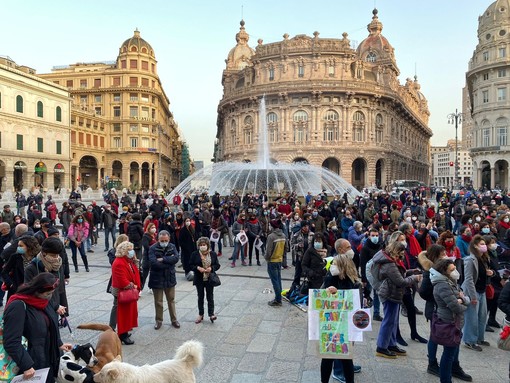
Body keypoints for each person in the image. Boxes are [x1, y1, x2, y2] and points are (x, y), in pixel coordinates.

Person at [3, 272, 73, 382]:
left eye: (52, 293)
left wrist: (58, 344)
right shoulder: (18, 306)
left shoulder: (43, 301)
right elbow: (11, 341)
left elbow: (48, 327)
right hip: (30, 364)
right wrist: (26, 365)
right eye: (47, 293)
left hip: (46, 360)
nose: (50, 296)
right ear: (37, 290)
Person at [373, 240, 421, 358]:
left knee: (393, 321)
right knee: (388, 321)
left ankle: (391, 344)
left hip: (393, 292)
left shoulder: (391, 260)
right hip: (390, 293)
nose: (403, 254)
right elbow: (400, 281)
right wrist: (414, 278)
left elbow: (399, 274)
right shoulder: (389, 263)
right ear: (396, 251)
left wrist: (410, 272)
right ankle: (382, 347)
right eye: (401, 252)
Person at [321, 255, 360, 383]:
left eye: (335, 264)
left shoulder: (352, 281)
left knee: (346, 357)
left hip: (345, 325)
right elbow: (321, 297)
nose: (332, 266)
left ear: (342, 266)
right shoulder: (330, 278)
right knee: (327, 357)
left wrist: (338, 291)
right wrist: (328, 291)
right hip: (331, 324)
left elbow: (353, 299)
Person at [431, 258, 470, 383]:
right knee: (448, 355)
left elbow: (462, 298)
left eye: (455, 268)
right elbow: (456, 306)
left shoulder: (450, 282)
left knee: (450, 353)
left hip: (455, 321)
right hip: (449, 322)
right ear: (445, 272)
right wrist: (463, 302)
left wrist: (462, 299)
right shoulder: (443, 285)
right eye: (452, 270)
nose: (455, 271)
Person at [461, 234, 494, 351]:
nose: (484, 246)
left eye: (484, 244)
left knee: (482, 316)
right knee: (472, 317)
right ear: (475, 246)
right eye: (481, 244)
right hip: (472, 291)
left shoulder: (484, 258)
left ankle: (479, 338)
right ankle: (470, 340)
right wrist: (473, 296)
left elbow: (484, 273)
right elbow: (469, 279)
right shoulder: (470, 259)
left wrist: (490, 273)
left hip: (482, 290)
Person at [24, 237, 68, 318]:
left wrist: (64, 314)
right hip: (38, 310)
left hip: (55, 308)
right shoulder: (31, 268)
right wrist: (55, 306)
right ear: (44, 252)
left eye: (57, 255)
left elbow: (61, 289)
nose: (55, 258)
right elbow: (30, 292)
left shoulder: (58, 265)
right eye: (52, 255)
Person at [148, 230, 180, 330]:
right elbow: (153, 263)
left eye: (166, 240)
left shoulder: (172, 246)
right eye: (162, 240)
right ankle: (159, 320)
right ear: (158, 239)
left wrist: (163, 259)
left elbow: (176, 258)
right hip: (156, 278)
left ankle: (174, 320)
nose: (164, 242)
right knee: (158, 301)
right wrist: (168, 262)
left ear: (169, 239)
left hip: (169, 278)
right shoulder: (152, 248)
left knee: (171, 300)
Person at [111, 241, 140, 345]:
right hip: (123, 292)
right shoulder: (119, 262)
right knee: (123, 315)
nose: (132, 251)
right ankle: (122, 335)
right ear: (124, 251)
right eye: (130, 250)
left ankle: (125, 332)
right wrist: (133, 286)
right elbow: (122, 280)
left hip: (128, 292)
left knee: (128, 313)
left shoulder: (127, 260)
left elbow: (135, 270)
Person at [190, 237, 220, 324]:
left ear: (207, 245)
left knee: (210, 297)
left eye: (204, 245)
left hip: (209, 279)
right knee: (200, 297)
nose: (202, 246)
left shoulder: (213, 254)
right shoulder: (195, 254)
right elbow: (190, 265)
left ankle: (211, 314)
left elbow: (217, 265)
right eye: (201, 245)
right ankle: (201, 314)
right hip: (199, 279)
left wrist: (211, 268)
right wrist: (198, 268)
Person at [2, 235, 41, 301]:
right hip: (16, 290)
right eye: (18, 245)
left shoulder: (37, 258)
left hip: (33, 291)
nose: (18, 248)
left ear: (29, 247)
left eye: (21, 246)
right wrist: (11, 284)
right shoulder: (15, 257)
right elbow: (4, 272)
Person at [265, 219, 287, 307]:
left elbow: (268, 251)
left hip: (272, 261)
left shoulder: (271, 236)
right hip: (279, 260)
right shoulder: (283, 235)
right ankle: (279, 297)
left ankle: (278, 300)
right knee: (278, 279)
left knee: (275, 281)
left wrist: (267, 258)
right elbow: (286, 248)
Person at [141, 223, 157, 290]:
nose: (154, 229)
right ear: (149, 228)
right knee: (145, 274)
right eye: (152, 227)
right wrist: (154, 248)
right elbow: (146, 246)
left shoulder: (155, 235)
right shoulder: (146, 236)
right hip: (147, 257)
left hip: (154, 257)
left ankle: (151, 287)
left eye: (154, 227)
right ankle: (140, 288)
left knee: (153, 274)